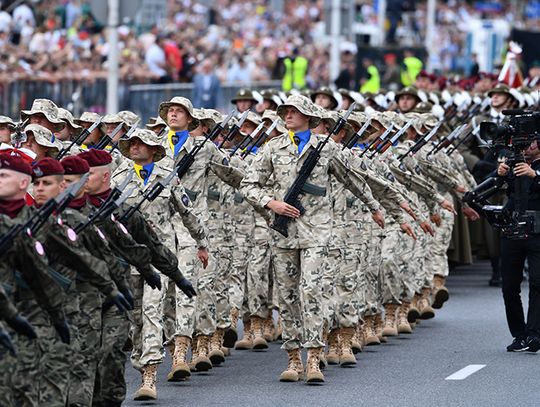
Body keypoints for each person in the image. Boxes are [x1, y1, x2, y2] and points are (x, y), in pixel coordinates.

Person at [239, 94, 384, 384]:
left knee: (312, 290)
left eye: (294, 111)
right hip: (283, 233)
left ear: (309, 116)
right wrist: (271, 203)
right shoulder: (272, 147)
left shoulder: (326, 148)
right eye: (286, 111)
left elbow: (352, 179)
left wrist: (374, 207)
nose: (288, 115)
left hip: (318, 231)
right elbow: (248, 184)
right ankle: (293, 358)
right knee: (289, 296)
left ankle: (315, 357)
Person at [496, 140, 540, 353]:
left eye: (531, 143)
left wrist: (535, 176)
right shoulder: (513, 165)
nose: (526, 148)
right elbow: (488, 185)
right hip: (512, 230)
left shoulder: (533, 169)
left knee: (538, 284)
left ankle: (534, 334)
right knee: (509, 287)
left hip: (538, 232)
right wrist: (500, 174)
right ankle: (519, 335)